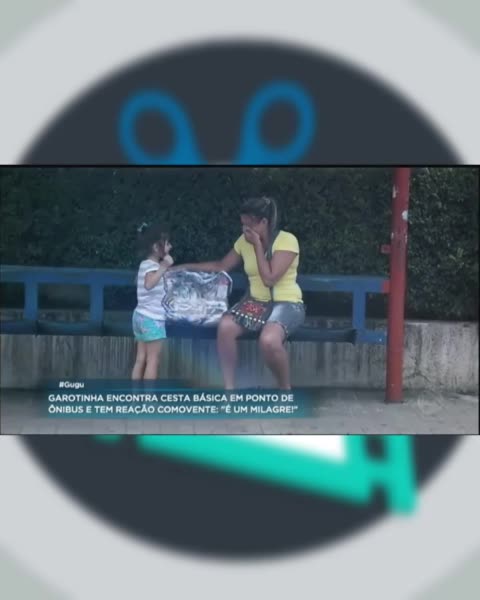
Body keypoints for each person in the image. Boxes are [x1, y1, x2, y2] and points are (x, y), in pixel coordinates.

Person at [171, 196, 305, 389]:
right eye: (243, 225)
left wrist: (257, 246)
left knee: (268, 341)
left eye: (249, 225)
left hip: (286, 303)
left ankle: (284, 388)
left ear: (264, 222)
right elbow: (221, 266)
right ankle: (230, 389)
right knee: (225, 326)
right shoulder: (243, 241)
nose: (245, 230)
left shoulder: (287, 241)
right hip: (256, 303)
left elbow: (269, 279)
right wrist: (182, 267)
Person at [131, 223, 174, 380]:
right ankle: (149, 395)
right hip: (152, 319)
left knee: (140, 359)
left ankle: (135, 394)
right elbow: (149, 284)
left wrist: (164, 268)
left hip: (140, 317)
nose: (170, 247)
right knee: (153, 360)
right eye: (167, 244)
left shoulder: (145, 265)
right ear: (156, 247)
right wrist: (164, 265)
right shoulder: (152, 266)